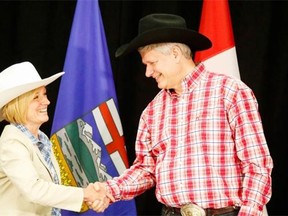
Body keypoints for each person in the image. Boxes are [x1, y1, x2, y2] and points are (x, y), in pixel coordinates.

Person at [92, 13, 273, 216]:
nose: (148, 72)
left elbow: (257, 164)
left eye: (152, 62)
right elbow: (146, 168)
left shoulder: (230, 92)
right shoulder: (152, 111)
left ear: (176, 53)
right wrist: (108, 190)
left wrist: (249, 213)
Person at [0, 61, 114, 215]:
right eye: (36, 97)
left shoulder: (42, 139)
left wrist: (89, 198)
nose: (46, 101)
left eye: (45, 94)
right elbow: (34, 189)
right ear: (18, 104)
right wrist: (86, 194)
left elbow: (51, 190)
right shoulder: (11, 142)